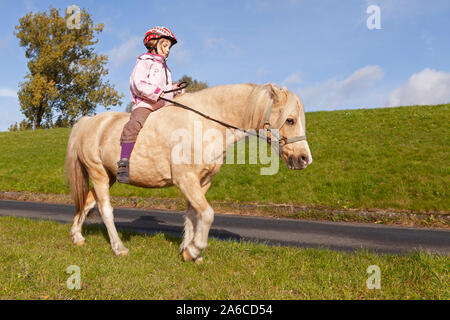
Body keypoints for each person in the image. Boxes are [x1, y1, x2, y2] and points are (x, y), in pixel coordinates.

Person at [117, 26, 184, 184]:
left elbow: (166, 89)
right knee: (134, 124)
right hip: (145, 104)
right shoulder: (144, 62)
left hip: (163, 106)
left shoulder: (166, 69)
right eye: (165, 45)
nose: (168, 50)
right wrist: (157, 92)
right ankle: (123, 163)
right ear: (153, 44)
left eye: (169, 47)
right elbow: (138, 83)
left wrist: (175, 90)